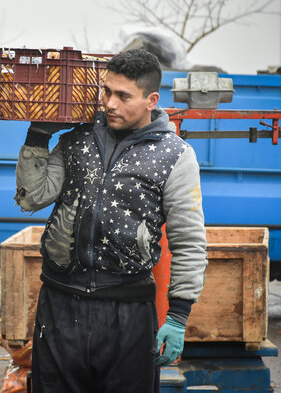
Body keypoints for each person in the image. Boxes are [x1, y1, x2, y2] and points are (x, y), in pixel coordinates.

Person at [14, 48, 208, 393]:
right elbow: (33, 197)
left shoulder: (175, 156)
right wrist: (38, 136)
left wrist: (177, 316)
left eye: (123, 96)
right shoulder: (76, 141)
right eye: (106, 91)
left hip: (128, 314)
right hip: (60, 305)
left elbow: (189, 241)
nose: (110, 104)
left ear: (151, 100)